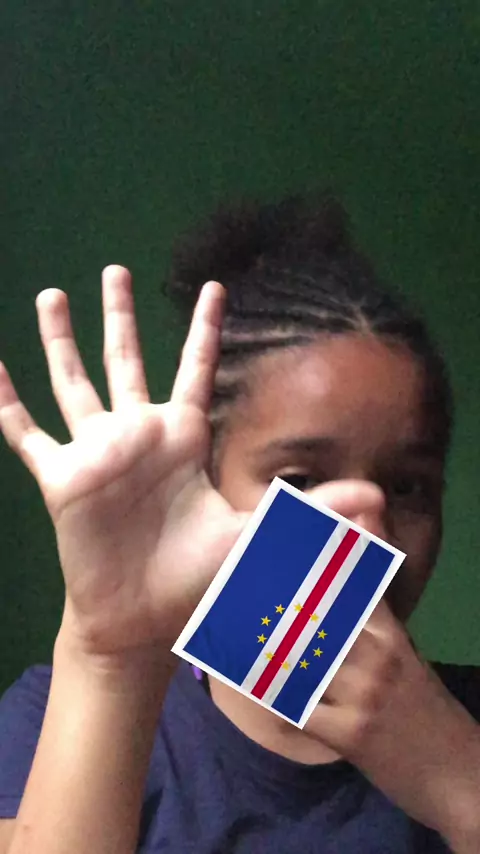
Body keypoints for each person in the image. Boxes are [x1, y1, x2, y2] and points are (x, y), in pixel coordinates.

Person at [0, 193, 479, 854]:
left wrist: (461, 785)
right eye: (300, 481)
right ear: (206, 486)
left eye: (406, 487)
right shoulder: (59, 716)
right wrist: (110, 657)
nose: (367, 525)